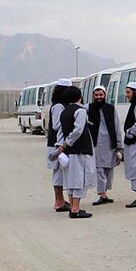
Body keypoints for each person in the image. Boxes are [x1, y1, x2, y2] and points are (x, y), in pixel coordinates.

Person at [58, 85, 97, 218]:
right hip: (80, 149)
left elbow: (61, 130)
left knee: (70, 179)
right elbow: (79, 129)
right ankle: (75, 208)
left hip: (69, 152)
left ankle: (73, 207)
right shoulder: (80, 111)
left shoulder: (64, 111)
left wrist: (63, 145)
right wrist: (68, 142)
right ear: (80, 97)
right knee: (80, 178)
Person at [87, 85, 123, 204]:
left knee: (109, 169)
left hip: (110, 144)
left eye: (101, 95)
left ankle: (104, 193)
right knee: (99, 169)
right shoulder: (89, 108)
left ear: (105, 95)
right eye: (96, 95)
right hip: (96, 144)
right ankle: (102, 193)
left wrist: (119, 146)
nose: (98, 97)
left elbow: (117, 127)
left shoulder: (111, 109)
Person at [47, 78, 72, 212]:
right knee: (58, 172)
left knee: (59, 172)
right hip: (56, 143)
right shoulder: (58, 106)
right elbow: (57, 125)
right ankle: (59, 201)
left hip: (57, 143)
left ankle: (60, 200)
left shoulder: (60, 105)